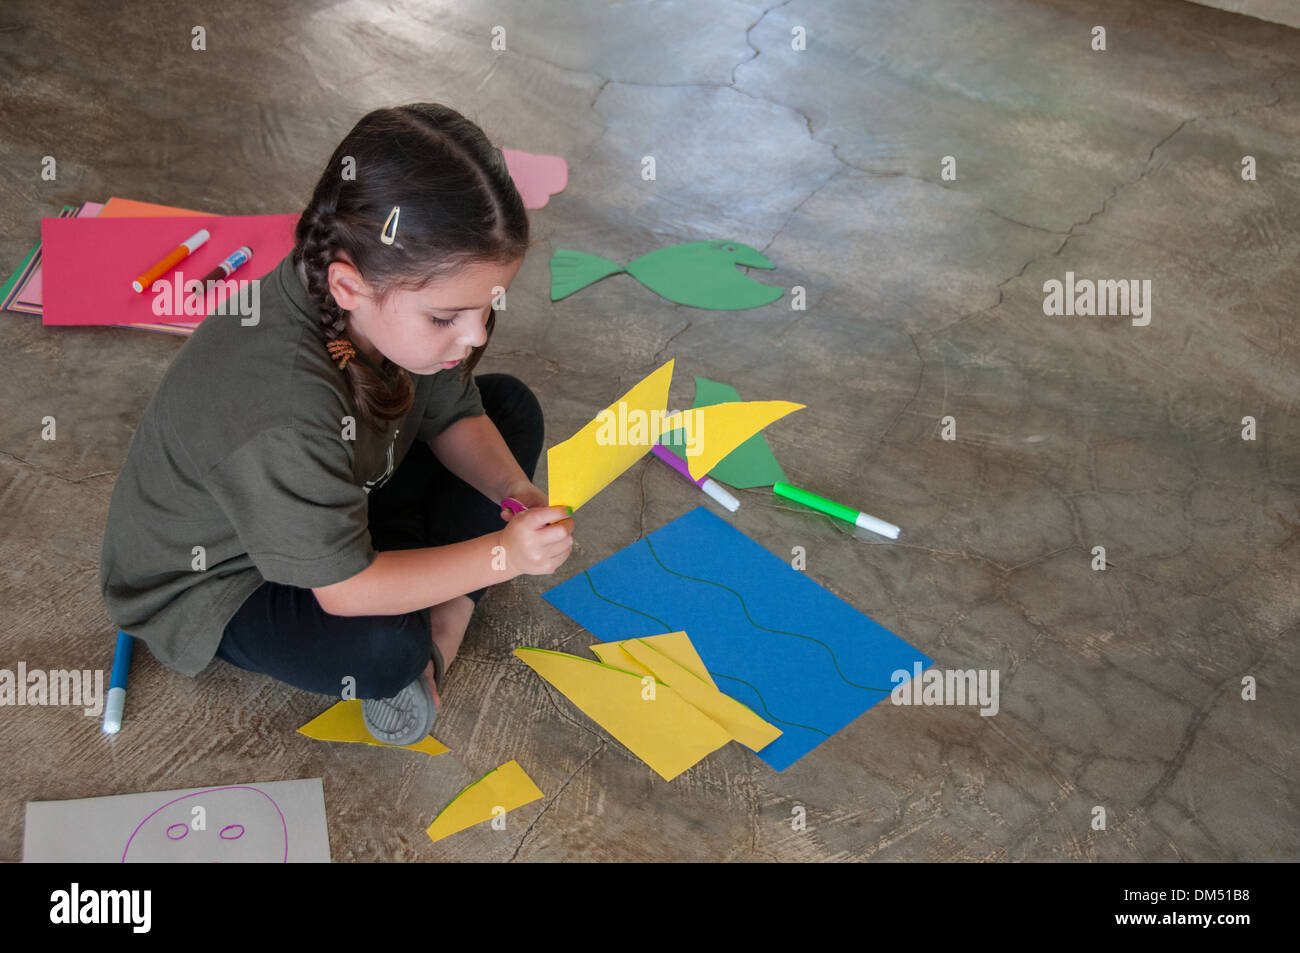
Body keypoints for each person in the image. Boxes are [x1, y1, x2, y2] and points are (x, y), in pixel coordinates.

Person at [100, 103, 575, 745]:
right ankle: (425, 636)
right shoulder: (281, 407)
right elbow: (345, 593)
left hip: (338, 494)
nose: (474, 335)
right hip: (223, 576)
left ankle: (440, 618)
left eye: (486, 309)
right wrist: (502, 554)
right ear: (348, 287)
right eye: (447, 318)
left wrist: (515, 498)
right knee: (382, 650)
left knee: (509, 406)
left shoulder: (387, 298)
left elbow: (453, 411)